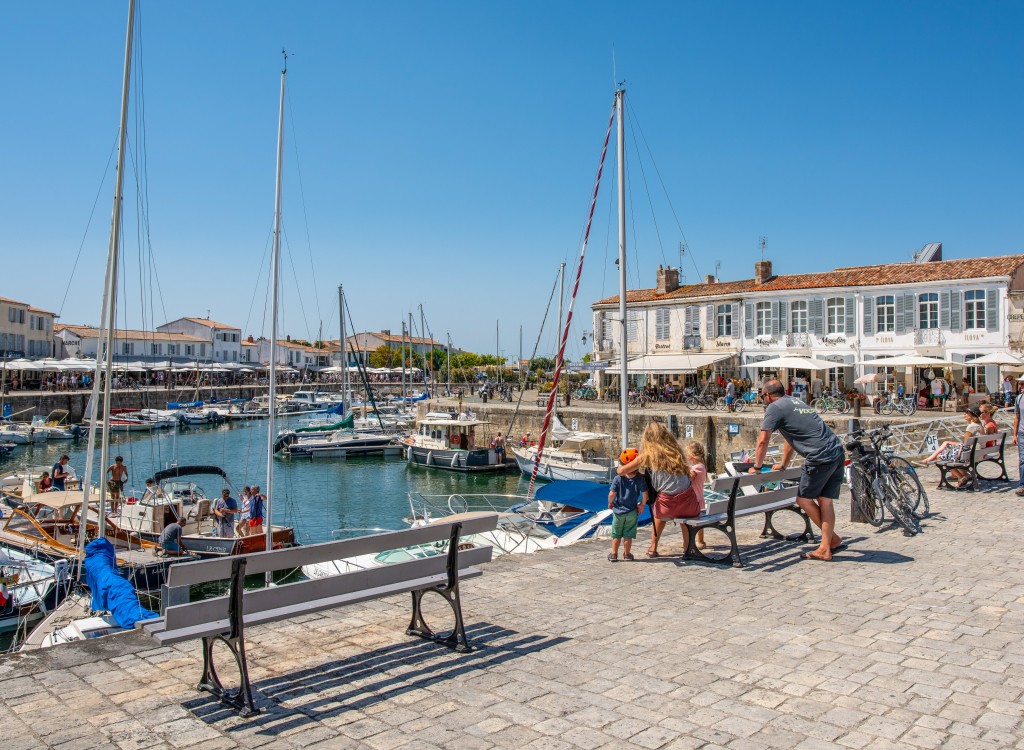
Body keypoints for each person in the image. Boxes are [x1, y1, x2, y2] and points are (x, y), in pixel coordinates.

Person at [751, 379, 845, 562]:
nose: (763, 399)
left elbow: (763, 440)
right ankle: (829, 543)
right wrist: (784, 464)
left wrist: (757, 467)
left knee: (803, 499)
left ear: (768, 395)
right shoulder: (796, 402)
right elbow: (790, 439)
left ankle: (829, 543)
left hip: (819, 456)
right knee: (825, 501)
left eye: (762, 396)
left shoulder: (774, 407)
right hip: (836, 451)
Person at [617, 422, 699, 557]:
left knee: (659, 512)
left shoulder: (648, 456)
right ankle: (688, 547)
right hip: (690, 505)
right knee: (682, 515)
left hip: (667, 508)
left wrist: (638, 471)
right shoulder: (677, 452)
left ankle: (653, 548)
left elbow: (621, 471)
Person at [920, 406, 984, 489]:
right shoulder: (979, 425)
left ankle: (961, 477)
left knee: (940, 457)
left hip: (970, 454)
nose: (964, 414)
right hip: (978, 452)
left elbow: (965, 444)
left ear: (972, 415)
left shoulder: (972, 427)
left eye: (966, 413)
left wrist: (954, 445)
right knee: (946, 444)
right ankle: (964, 476)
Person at [607, 448, 648, 562]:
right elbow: (645, 494)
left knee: (616, 534)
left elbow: (612, 494)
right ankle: (627, 554)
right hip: (632, 512)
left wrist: (610, 503)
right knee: (628, 534)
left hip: (618, 511)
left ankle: (614, 554)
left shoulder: (618, 478)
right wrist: (642, 505)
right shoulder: (640, 479)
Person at [684, 442, 709, 549]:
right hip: (699, 498)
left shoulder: (697, 468)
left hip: (694, 499)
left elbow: (689, 477)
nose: (687, 456)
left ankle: (693, 541)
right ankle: (700, 540)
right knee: (698, 521)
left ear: (692, 455)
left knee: (693, 522)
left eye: (688, 454)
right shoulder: (702, 466)